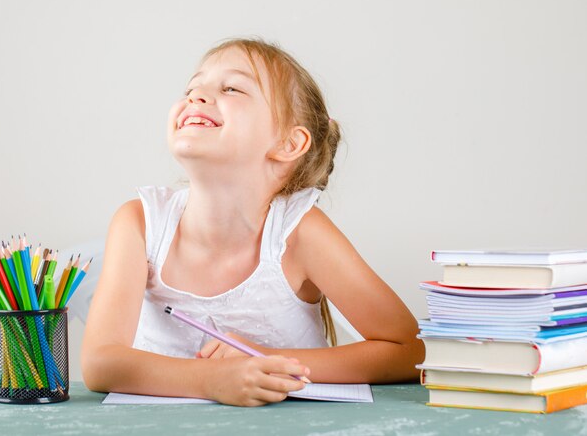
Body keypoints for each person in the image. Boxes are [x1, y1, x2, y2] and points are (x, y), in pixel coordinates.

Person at [81, 38, 424, 407]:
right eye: (192, 88)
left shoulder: (301, 233)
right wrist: (212, 380)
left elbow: (409, 350)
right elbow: (101, 364)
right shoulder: (138, 222)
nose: (196, 97)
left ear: (289, 144)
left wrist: (262, 360)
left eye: (231, 88)